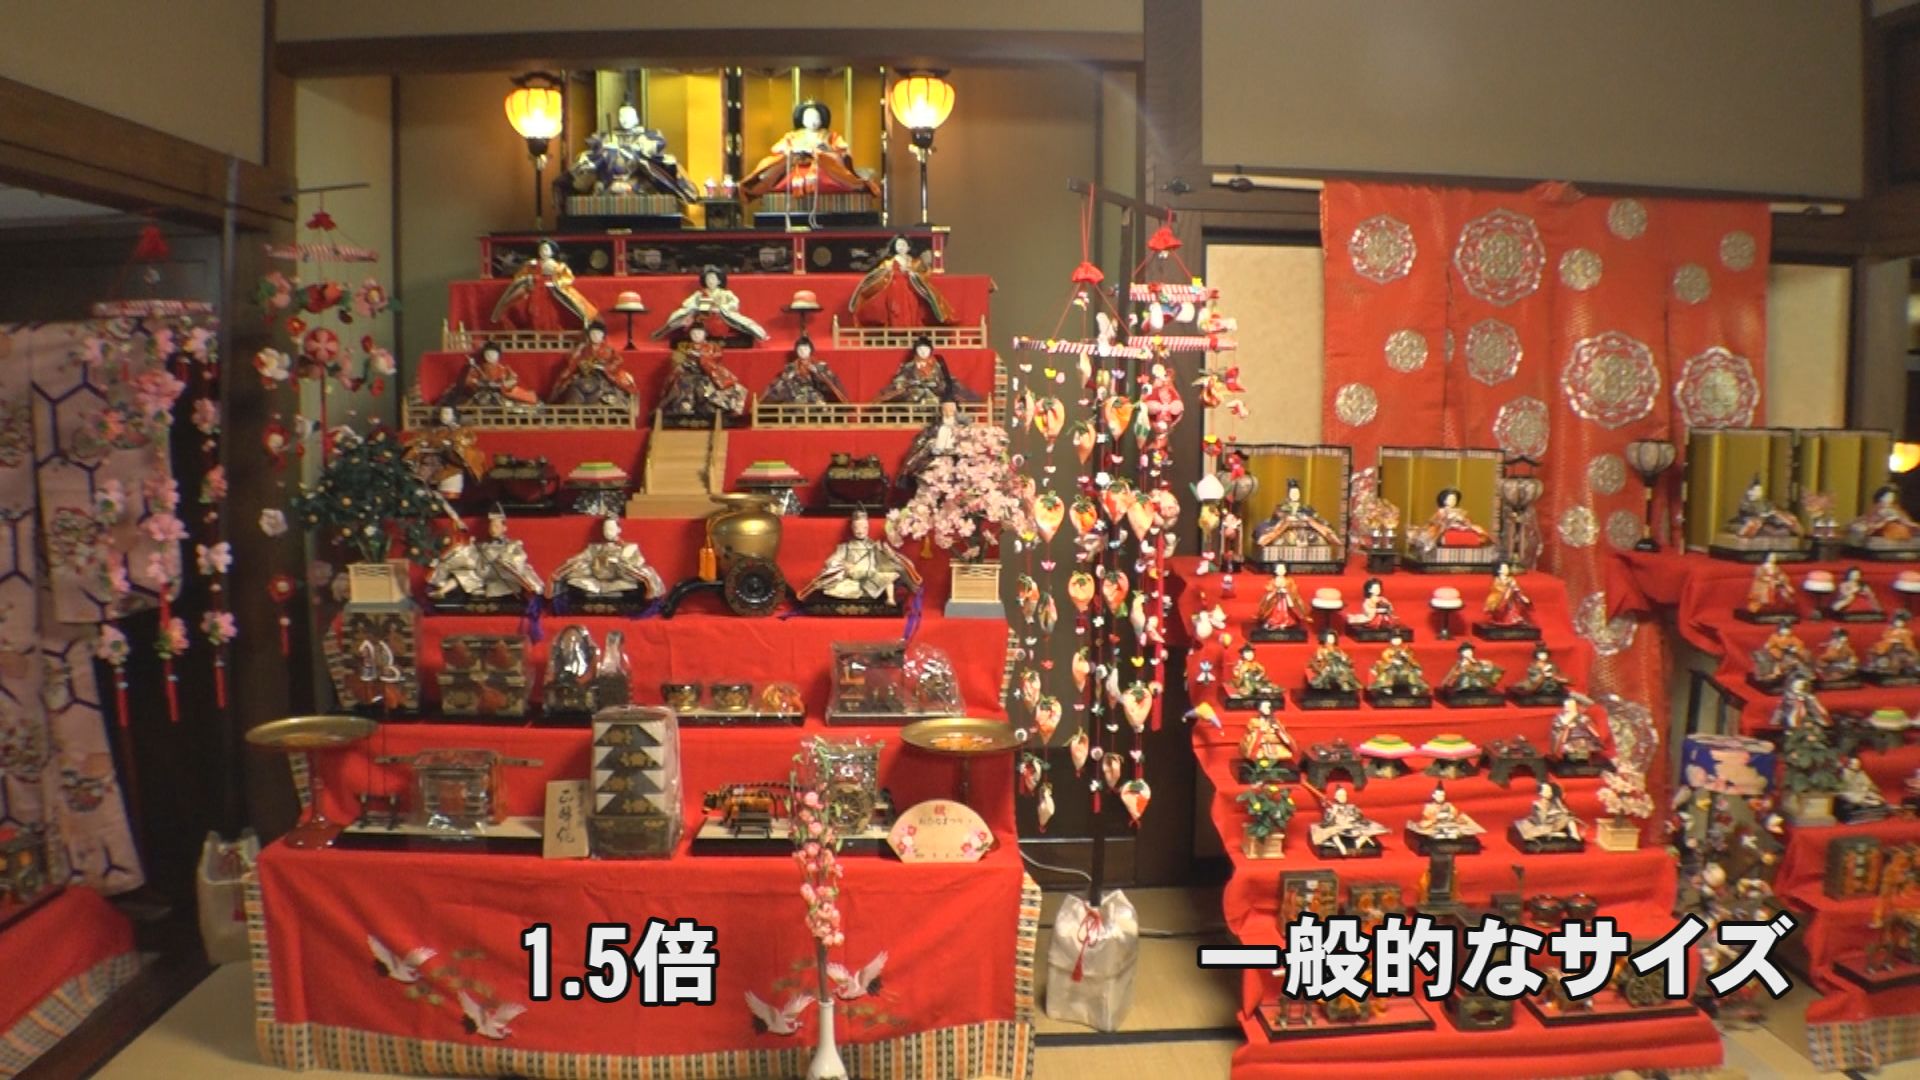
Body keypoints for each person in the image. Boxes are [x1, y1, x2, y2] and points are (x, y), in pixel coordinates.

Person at [740, 100, 880, 199]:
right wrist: (792, 152)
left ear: (822, 118)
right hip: (796, 167)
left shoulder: (830, 135)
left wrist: (825, 151)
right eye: (808, 117)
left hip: (823, 168)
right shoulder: (793, 135)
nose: (813, 120)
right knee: (773, 169)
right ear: (801, 118)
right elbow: (779, 149)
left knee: (835, 174)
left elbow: (843, 152)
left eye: (816, 117)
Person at [567, 103, 699, 202]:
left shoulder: (647, 135)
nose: (624, 120)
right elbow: (595, 147)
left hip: (638, 178)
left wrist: (637, 147)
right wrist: (606, 147)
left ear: (636, 118)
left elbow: (658, 144)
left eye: (628, 116)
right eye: (621, 116)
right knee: (587, 167)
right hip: (609, 180)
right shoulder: (607, 136)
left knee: (666, 168)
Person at [797, 509, 922, 606]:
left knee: (889, 578)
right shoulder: (846, 547)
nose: (860, 531)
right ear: (852, 528)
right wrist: (843, 565)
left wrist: (889, 554)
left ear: (868, 528)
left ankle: (890, 599)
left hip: (871, 575)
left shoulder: (874, 546)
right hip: (853, 577)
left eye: (864, 527)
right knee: (835, 586)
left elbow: (883, 561)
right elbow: (831, 561)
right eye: (857, 527)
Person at [427, 507, 544, 601]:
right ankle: (441, 591)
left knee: (522, 578)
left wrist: (505, 560)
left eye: (496, 526)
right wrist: (467, 549)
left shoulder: (512, 544)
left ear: (504, 528)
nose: (493, 529)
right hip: (479, 574)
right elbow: (472, 556)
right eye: (491, 526)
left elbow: (519, 559)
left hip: (499, 576)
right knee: (460, 575)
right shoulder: (482, 545)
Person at [489, 239, 598, 330]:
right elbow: (521, 275)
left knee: (556, 310)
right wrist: (529, 278)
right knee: (522, 307)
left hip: (552, 290)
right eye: (541, 249)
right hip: (534, 288)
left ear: (552, 252)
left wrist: (556, 282)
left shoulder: (558, 265)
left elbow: (567, 277)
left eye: (546, 249)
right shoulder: (532, 264)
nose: (543, 251)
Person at [850, 235, 957, 327]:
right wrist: (887, 272)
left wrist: (912, 273)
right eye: (898, 245)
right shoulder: (889, 262)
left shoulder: (915, 262)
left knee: (912, 307)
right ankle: (895, 332)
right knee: (895, 310)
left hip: (910, 288)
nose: (901, 247)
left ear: (908, 247)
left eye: (903, 245)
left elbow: (925, 273)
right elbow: (878, 275)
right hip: (894, 288)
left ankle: (911, 331)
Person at [550, 516, 666, 600]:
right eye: (605, 529)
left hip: (621, 579)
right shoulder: (594, 548)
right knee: (573, 572)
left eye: (611, 529)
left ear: (619, 529)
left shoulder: (629, 547)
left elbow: (637, 563)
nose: (608, 532)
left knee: (644, 574)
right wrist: (574, 564)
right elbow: (579, 558)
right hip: (595, 581)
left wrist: (620, 561)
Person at [653, 266, 769, 343]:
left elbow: (734, 303)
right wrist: (696, 308)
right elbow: (687, 304)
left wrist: (721, 308)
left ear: (719, 281)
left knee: (740, 323)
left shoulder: (725, 293)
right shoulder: (699, 294)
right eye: (708, 278)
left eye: (713, 278)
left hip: (720, 319)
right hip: (702, 319)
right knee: (685, 319)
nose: (710, 281)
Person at [658, 324, 748, 424]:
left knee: (715, 390)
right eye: (693, 333)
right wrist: (685, 362)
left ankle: (714, 410)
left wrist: (702, 357)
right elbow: (676, 361)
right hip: (687, 375)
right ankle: (683, 410)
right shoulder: (683, 347)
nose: (696, 335)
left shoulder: (712, 347)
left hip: (708, 375)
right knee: (682, 385)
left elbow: (716, 359)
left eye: (699, 332)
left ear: (705, 334)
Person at [549, 321, 637, 408]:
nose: (595, 336)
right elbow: (573, 362)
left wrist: (605, 367)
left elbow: (618, 360)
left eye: (598, 333)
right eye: (593, 333)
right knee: (573, 385)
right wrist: (581, 361)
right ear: (589, 335)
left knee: (581, 385)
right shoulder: (584, 348)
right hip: (586, 375)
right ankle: (572, 409)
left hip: (603, 376)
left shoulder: (608, 349)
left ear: (603, 335)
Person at [875, 337, 981, 406]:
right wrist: (907, 383)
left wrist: (940, 384)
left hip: (935, 394)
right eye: (920, 349)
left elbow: (947, 379)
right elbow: (899, 380)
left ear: (931, 350)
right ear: (915, 351)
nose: (923, 352)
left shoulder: (938, 365)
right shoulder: (909, 366)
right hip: (915, 395)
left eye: (926, 349)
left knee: (951, 393)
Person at [439, 341, 537, 410]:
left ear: (498, 356)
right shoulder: (478, 368)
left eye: (494, 354)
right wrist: (477, 382)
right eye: (488, 354)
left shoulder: (503, 369)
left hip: (499, 392)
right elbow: (469, 379)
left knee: (512, 403)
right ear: (484, 355)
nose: (491, 356)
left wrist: (505, 384)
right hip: (482, 392)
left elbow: (513, 378)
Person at [760, 336, 849, 407]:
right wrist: (788, 378)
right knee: (792, 405)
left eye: (805, 349)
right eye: (800, 350)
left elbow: (831, 383)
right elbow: (779, 383)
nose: (803, 352)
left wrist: (817, 373)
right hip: (796, 395)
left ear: (810, 350)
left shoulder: (820, 365)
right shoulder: (790, 367)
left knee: (819, 404)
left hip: (815, 395)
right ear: (796, 351)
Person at [1254, 479, 1341, 548]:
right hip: (1284, 531)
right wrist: (1286, 522)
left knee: (1321, 531)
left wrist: (1310, 521)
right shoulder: (1280, 509)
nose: (1295, 495)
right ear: (1288, 494)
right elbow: (1276, 520)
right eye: (1292, 492)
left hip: (1308, 531)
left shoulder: (1307, 509)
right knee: (1272, 534)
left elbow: (1316, 518)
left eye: (1297, 492)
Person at [1408, 487, 1492, 555]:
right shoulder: (1441, 511)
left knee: (1478, 531)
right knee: (1433, 533)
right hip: (1445, 528)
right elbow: (1435, 522)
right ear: (1444, 500)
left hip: (1460, 528)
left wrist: (1462, 519)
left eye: (1454, 499)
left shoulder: (1461, 511)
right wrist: (1446, 519)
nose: (1452, 501)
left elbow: (1468, 522)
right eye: (1450, 499)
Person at [1308, 786, 1388, 856]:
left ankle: (1358, 843)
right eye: (1340, 796)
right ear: (1336, 797)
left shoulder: (1351, 807)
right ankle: (1341, 846)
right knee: (1332, 833)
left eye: (1344, 795)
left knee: (1367, 831)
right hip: (1338, 828)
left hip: (1351, 827)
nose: (1343, 797)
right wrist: (1334, 812)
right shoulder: (1331, 809)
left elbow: (1359, 815)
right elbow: (1327, 822)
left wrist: (1353, 818)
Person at [1724, 476, 1803, 539]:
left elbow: (1800, 532)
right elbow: (1738, 538)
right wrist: (1750, 528)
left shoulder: (1780, 518)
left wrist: (1779, 515)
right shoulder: (1738, 523)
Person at [1514, 780, 1584, 844]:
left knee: (1570, 819)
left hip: (1556, 821)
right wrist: (1550, 813)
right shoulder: (1538, 804)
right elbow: (1541, 819)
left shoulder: (1556, 801)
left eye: (1547, 791)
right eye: (1544, 791)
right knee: (1535, 830)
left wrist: (1563, 812)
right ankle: (1554, 834)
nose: (1542, 792)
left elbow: (1563, 810)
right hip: (1544, 823)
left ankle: (1574, 835)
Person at [1411, 785, 1483, 842]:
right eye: (1439, 795)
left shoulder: (1449, 805)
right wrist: (1436, 818)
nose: (1441, 797)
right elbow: (1427, 817)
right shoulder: (1429, 807)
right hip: (1434, 825)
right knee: (1429, 831)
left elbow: (1455, 815)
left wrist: (1451, 816)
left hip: (1449, 825)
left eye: (1442, 795)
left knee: (1459, 830)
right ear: (1434, 796)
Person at [1850, 484, 1920, 543]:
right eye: (1887, 497)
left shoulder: (1896, 508)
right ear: (1880, 497)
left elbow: (1904, 520)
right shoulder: (1876, 508)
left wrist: (1908, 523)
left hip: (1897, 531)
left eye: (1892, 497)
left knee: (1901, 529)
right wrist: (1885, 521)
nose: (1889, 499)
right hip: (1881, 532)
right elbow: (1871, 523)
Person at [1549, 696, 1607, 765]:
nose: (1584, 709)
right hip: (1569, 741)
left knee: (1585, 751)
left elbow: (1593, 731)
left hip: (1585, 742)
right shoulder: (1561, 718)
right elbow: (1557, 732)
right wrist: (1566, 726)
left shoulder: (1584, 718)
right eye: (1582, 706)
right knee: (1570, 753)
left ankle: (1582, 761)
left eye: (1585, 707)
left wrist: (1597, 737)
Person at [1254, 563, 1308, 634]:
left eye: (1283, 569)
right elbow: (1269, 590)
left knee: (1285, 611)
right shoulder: (1272, 580)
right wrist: (1275, 591)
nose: (1281, 571)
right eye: (1279, 569)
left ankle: (1285, 621)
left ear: (1286, 570)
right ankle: (1273, 621)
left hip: (1285, 599)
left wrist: (1287, 592)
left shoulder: (1289, 580)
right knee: (1275, 612)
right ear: (1275, 571)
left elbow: (1293, 591)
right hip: (1275, 600)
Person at [1483, 560, 1533, 627]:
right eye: (1504, 568)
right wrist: (1508, 590)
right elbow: (1497, 590)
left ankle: (1512, 618)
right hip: (1499, 600)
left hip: (1510, 601)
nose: (1507, 569)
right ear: (1499, 571)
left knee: (1515, 601)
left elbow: (1516, 589)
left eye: (1507, 568)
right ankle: (1499, 618)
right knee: (1498, 604)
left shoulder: (1511, 579)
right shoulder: (1497, 580)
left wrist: (1521, 595)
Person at [1871, 609, 1920, 677]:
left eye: (1903, 621)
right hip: (1891, 650)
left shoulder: (1907, 633)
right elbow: (1886, 639)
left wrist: (1909, 649)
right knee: (1891, 661)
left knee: (1911, 658)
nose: (1900, 623)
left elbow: (1909, 644)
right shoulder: (1890, 631)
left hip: (1903, 650)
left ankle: (1912, 669)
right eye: (1898, 621)